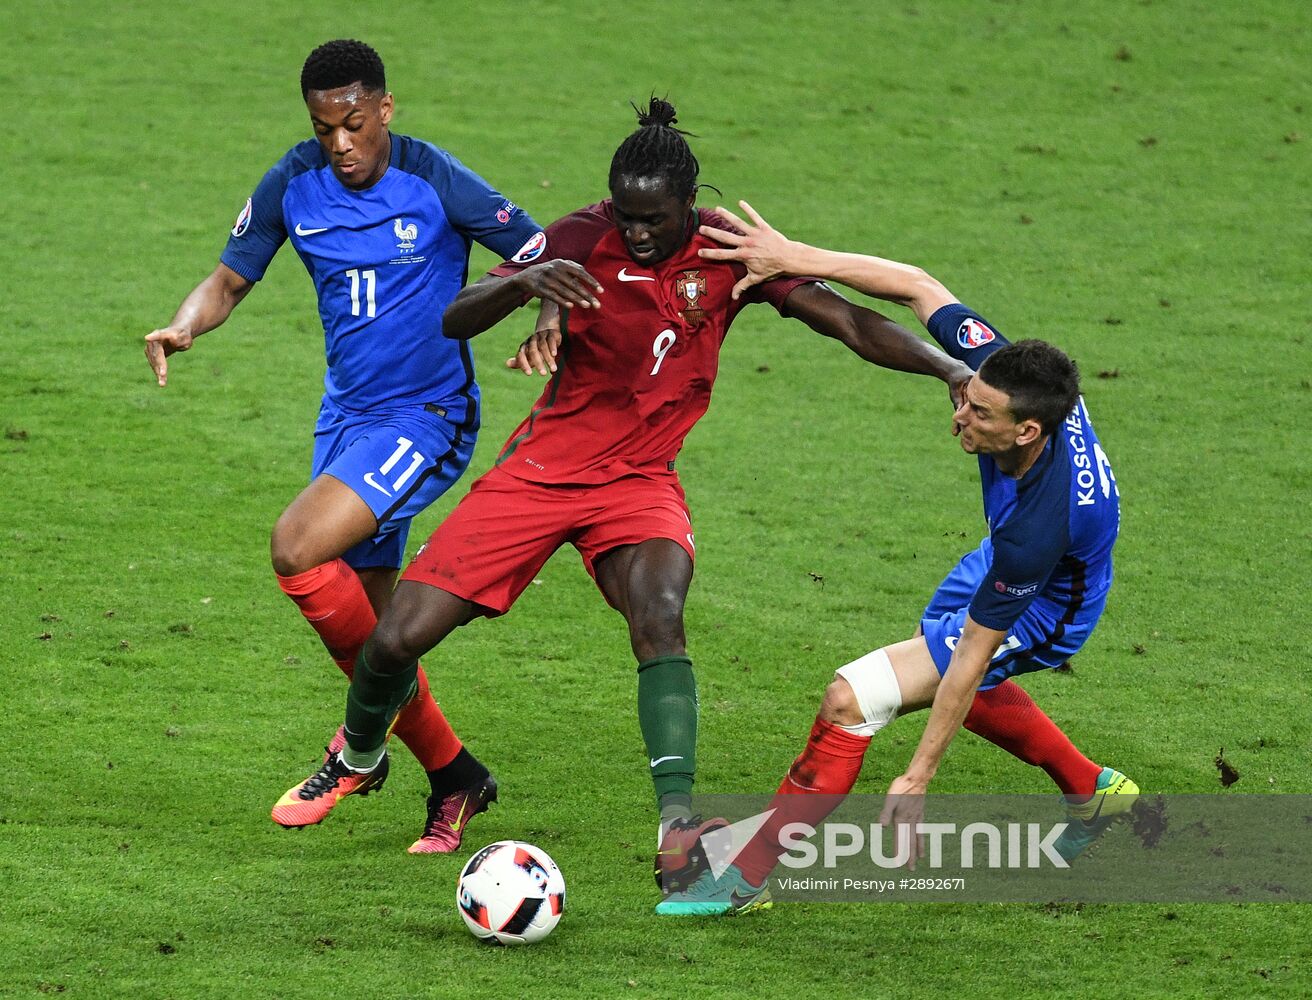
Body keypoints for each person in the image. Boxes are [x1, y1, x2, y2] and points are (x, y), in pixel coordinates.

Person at [277, 98, 972, 894]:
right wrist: (528, 280)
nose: (637, 232)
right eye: (626, 215)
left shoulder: (726, 250)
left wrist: (949, 368)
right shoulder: (578, 236)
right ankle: (359, 755)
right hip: (541, 473)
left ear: (687, 203)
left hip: (638, 483)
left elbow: (846, 321)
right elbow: (455, 317)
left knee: (660, 615)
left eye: (654, 219)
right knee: (396, 639)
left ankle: (678, 827)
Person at [655, 203, 1138, 914]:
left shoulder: (1044, 522)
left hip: (1044, 605)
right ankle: (1091, 790)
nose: (960, 416)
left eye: (979, 415)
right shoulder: (1012, 376)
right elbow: (917, 284)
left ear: (1027, 430)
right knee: (938, 660)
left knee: (856, 696)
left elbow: (975, 652)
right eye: (966, 398)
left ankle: (746, 876)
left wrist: (916, 777)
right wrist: (793, 255)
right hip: (1001, 562)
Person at [143, 39, 551, 853]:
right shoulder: (293, 183)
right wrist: (185, 325)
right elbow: (228, 280)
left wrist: (550, 318)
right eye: (325, 127)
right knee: (375, 633)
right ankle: (456, 777)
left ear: (385, 110)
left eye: (355, 124)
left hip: (427, 416)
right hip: (346, 422)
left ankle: (359, 754)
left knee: (297, 546)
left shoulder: (435, 177)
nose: (340, 144)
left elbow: (542, 254)